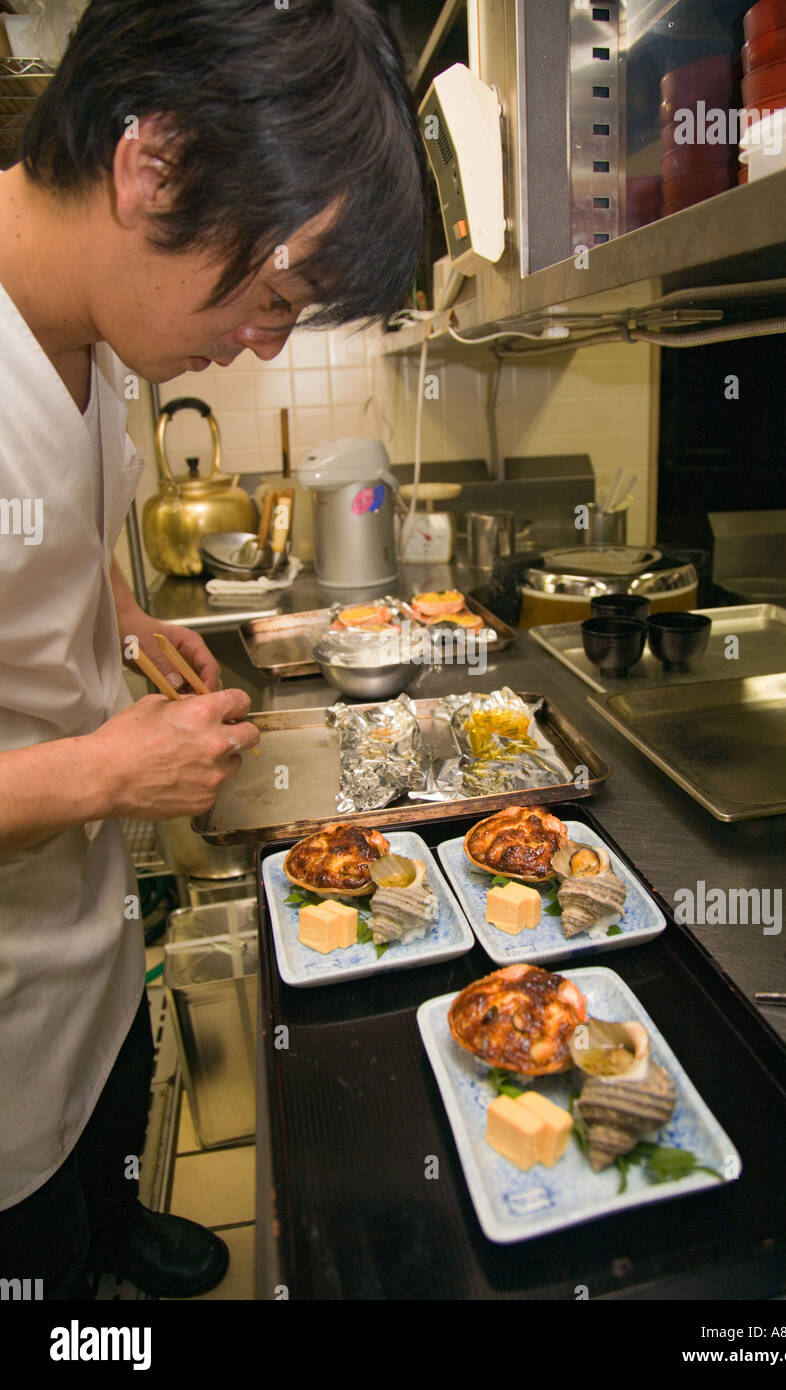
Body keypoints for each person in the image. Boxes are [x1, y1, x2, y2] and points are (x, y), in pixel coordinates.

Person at [0, 0, 425, 1298]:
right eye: (273, 293)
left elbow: (40, 537)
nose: (264, 341)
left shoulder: (96, 335)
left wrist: (120, 619)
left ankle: (126, 1229)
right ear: (155, 162)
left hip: (89, 959)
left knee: (114, 1171)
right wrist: (109, 776)